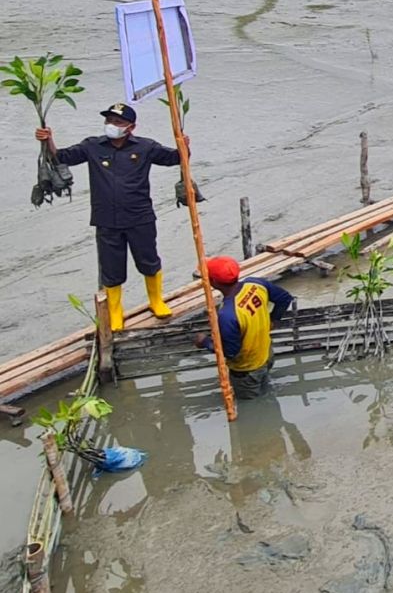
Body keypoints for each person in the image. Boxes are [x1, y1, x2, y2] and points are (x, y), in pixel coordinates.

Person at [34, 102, 185, 331]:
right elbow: (62, 157)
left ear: (131, 127)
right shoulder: (92, 146)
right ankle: (115, 311)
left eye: (117, 122)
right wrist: (48, 140)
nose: (111, 125)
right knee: (111, 268)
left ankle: (156, 301)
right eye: (108, 121)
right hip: (106, 220)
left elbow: (176, 158)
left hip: (140, 217)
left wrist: (184, 144)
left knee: (149, 260)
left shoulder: (145, 147)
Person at [193, 256, 294, 400]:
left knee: (251, 404)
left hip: (247, 369)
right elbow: (284, 298)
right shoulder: (256, 284)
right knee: (265, 391)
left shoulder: (227, 315)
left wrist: (205, 342)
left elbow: (230, 352)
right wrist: (273, 320)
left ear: (213, 283)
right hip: (266, 354)